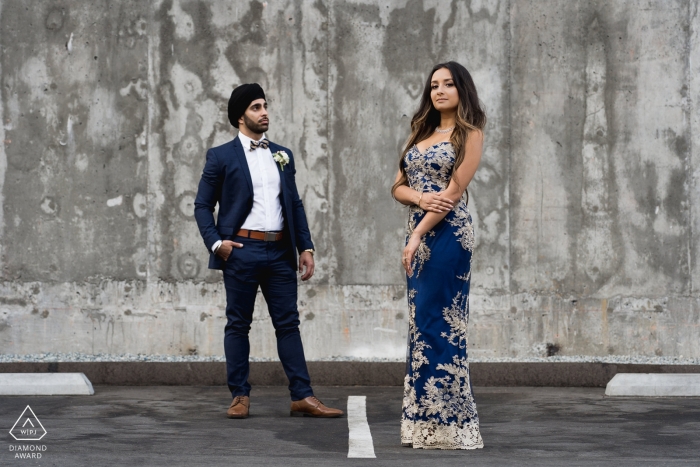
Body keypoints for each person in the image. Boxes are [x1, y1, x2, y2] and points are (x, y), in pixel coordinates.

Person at [194, 83, 343, 419]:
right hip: (241, 251)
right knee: (238, 325)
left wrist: (305, 246)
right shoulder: (220, 156)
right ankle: (240, 396)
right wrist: (218, 244)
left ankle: (302, 396)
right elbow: (202, 205)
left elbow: (293, 202)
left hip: (279, 253)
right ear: (240, 116)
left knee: (288, 324)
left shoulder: (282, 154)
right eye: (256, 108)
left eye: (265, 106)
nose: (264, 113)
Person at [392, 62, 486, 449]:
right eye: (434, 85)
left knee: (444, 324)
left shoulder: (470, 133)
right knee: (421, 323)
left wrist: (416, 232)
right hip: (420, 234)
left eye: (448, 84)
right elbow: (397, 186)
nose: (440, 90)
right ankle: (422, 423)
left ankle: (452, 425)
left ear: (462, 89)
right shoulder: (421, 132)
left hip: (447, 236)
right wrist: (418, 198)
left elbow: (452, 194)